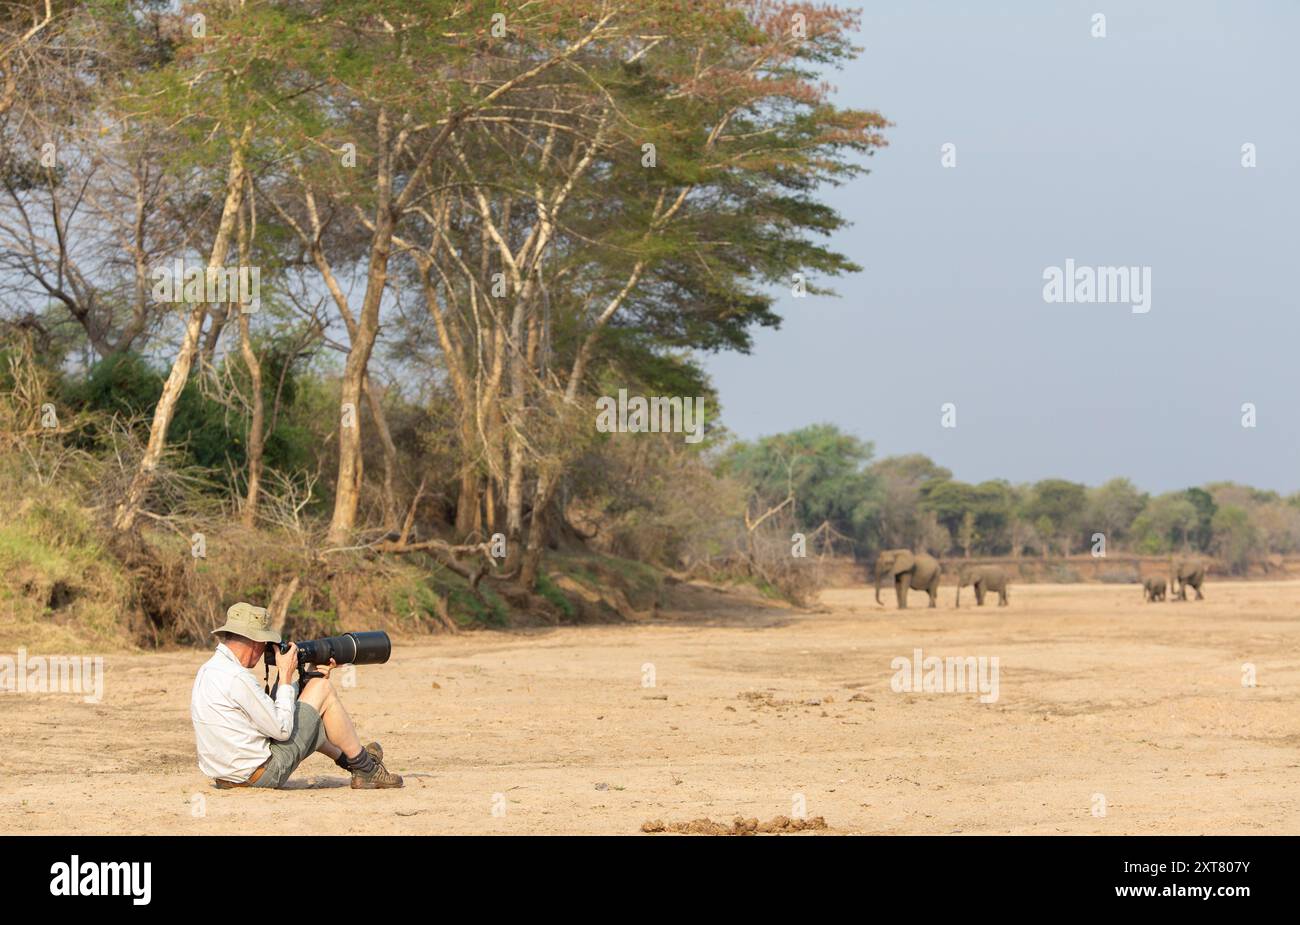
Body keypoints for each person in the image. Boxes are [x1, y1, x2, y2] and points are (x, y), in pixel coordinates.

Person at [191, 602, 403, 789]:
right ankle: (367, 769)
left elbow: (268, 716)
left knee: (305, 709)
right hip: (258, 774)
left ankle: (355, 762)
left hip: (226, 776)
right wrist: (285, 674)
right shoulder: (238, 678)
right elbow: (282, 730)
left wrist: (305, 676)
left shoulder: (209, 670)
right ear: (256, 643)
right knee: (322, 689)